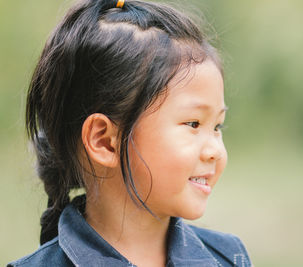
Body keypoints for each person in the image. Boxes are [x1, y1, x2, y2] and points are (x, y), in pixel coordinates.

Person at [8, 0, 252, 266]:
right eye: (193, 124)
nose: (216, 151)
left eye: (217, 126)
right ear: (104, 141)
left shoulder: (229, 258)